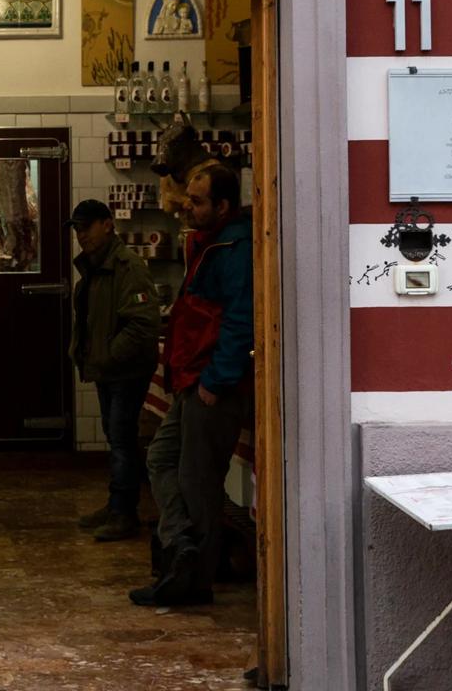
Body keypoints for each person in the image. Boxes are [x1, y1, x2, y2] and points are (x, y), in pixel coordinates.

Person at [132, 162, 253, 607]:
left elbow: (242, 319)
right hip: (191, 379)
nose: (187, 206)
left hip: (210, 383)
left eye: (197, 201)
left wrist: (216, 380)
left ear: (222, 205)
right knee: (162, 459)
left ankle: (193, 579)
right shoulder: (208, 242)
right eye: (188, 197)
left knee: (199, 482)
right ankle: (181, 545)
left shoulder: (235, 247)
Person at [68, 199, 161, 542]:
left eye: (86, 227)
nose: (81, 235)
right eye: (77, 229)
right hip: (110, 370)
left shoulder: (128, 266)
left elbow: (143, 325)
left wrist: (108, 356)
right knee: (115, 435)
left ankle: (124, 513)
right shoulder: (97, 265)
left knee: (121, 439)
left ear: (107, 224)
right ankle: (117, 504)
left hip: (125, 371)